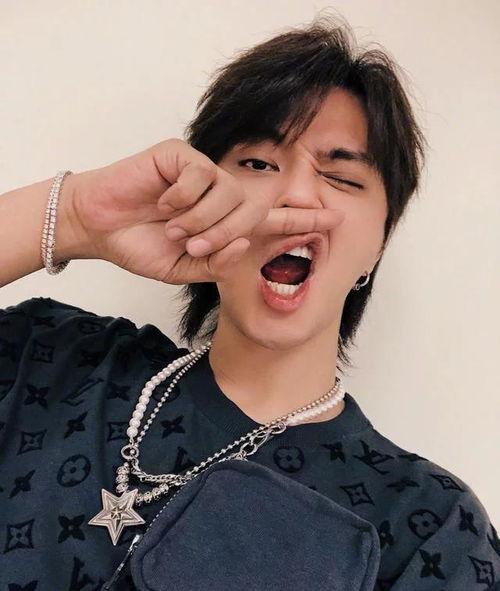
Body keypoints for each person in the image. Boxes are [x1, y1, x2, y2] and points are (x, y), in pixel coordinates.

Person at [1, 15, 499, 591]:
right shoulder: (55, 356)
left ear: (378, 245)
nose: (296, 193)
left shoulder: (432, 526)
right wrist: (74, 216)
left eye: (341, 177)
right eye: (258, 164)